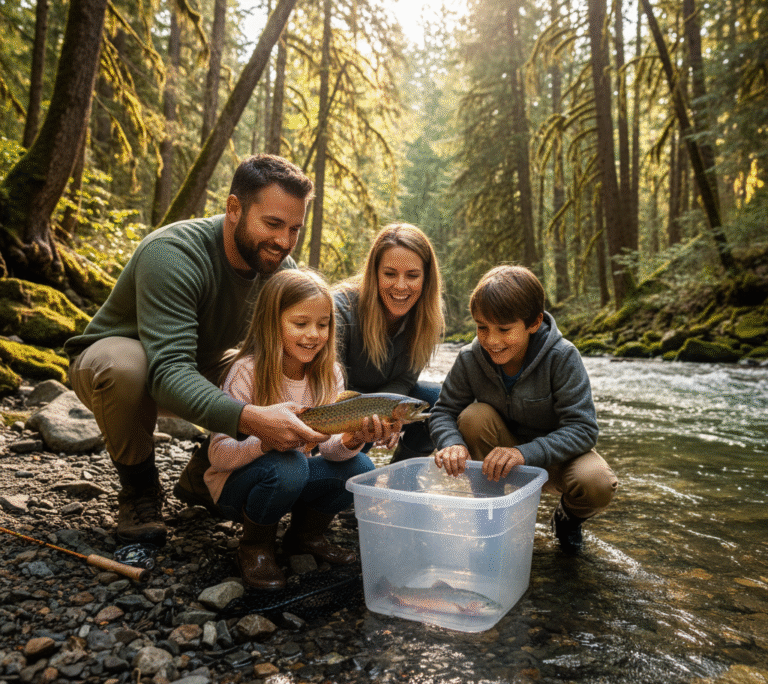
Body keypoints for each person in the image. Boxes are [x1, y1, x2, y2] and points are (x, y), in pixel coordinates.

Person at [65, 154, 327, 548]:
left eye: (294, 229)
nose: (283, 241)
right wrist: (253, 420)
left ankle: (204, 472)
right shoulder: (172, 253)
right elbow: (168, 370)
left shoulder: (279, 269)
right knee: (126, 367)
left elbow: (306, 347)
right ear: (234, 208)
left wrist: (353, 418)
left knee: (277, 362)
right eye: (273, 224)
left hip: (198, 366)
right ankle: (139, 491)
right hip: (117, 367)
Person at [204, 269, 398, 590]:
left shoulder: (330, 373)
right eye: (300, 323)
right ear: (272, 323)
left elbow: (331, 450)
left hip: (292, 479)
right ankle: (255, 546)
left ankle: (305, 536)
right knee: (290, 464)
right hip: (236, 489)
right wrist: (265, 442)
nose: (314, 335)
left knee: (361, 466)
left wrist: (353, 439)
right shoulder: (245, 372)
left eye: (323, 325)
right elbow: (218, 455)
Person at [430, 265, 618, 553]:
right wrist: (451, 443)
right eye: (482, 327)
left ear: (534, 322)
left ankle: (567, 520)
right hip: (498, 459)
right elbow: (443, 411)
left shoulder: (562, 357)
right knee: (473, 417)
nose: (491, 340)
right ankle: (490, 515)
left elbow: (583, 429)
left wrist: (523, 453)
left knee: (597, 483)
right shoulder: (469, 359)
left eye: (504, 329)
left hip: (555, 459)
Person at [333, 223, 445, 462]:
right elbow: (327, 385)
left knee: (439, 401)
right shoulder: (339, 310)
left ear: (426, 279)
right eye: (390, 274)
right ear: (374, 274)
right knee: (357, 467)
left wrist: (392, 416)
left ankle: (402, 474)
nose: (401, 285)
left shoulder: (428, 320)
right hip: (340, 408)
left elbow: (405, 380)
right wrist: (374, 418)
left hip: (381, 403)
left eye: (412, 275)